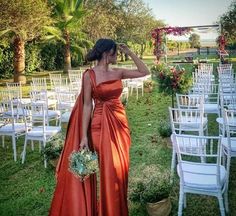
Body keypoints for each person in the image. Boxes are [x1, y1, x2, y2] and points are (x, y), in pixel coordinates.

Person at [49, 38, 149, 216]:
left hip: (120, 124)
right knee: (110, 170)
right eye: (115, 52)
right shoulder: (89, 75)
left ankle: (117, 208)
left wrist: (130, 52)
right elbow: (87, 105)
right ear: (106, 53)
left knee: (121, 169)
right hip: (99, 125)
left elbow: (144, 71)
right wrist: (84, 137)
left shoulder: (118, 72)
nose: (117, 55)